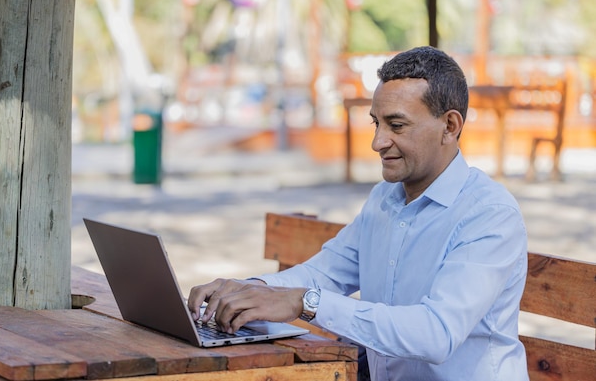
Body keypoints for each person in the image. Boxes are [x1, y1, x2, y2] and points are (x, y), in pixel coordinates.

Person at [188, 46, 529, 381]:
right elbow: (324, 274)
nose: (378, 142)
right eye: (376, 123)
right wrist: (245, 290)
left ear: (450, 126)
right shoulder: (385, 199)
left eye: (396, 126)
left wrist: (305, 303)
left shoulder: (489, 214)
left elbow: (436, 333)